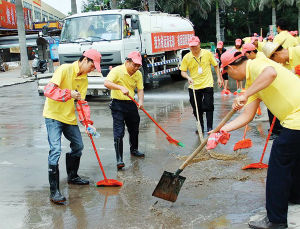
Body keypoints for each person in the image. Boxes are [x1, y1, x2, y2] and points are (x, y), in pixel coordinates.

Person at [220, 49, 300, 229]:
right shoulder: (253, 83)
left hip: (297, 118)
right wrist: (221, 130)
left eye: (228, 74)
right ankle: (295, 196)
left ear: (231, 68)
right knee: (293, 159)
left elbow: (271, 73)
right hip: (295, 121)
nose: (231, 78)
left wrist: (246, 94)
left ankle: (276, 220)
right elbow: (246, 117)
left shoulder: (256, 65)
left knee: (279, 164)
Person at [43, 49, 102, 204]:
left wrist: (88, 123)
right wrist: (69, 94)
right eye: (92, 66)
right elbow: (48, 91)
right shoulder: (64, 69)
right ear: (85, 60)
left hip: (68, 118)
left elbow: (82, 103)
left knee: (78, 145)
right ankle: (54, 191)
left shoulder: (84, 79)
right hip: (53, 116)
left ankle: (72, 176)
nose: (92, 69)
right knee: (55, 149)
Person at [104, 51, 144, 170]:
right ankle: (119, 159)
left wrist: (141, 101)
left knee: (134, 127)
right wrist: (120, 87)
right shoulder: (117, 71)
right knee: (119, 131)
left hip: (131, 104)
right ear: (127, 62)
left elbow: (140, 89)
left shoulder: (138, 74)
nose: (136, 68)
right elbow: (106, 83)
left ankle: (134, 149)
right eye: (134, 65)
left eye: (138, 66)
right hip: (117, 104)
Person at [180, 35, 223, 133]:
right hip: (194, 86)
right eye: (191, 46)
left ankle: (210, 128)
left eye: (195, 46)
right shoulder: (187, 57)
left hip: (207, 84)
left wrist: (219, 78)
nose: (193, 48)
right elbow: (183, 71)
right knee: (196, 108)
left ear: (199, 44)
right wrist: (188, 77)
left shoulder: (207, 53)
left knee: (209, 106)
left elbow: (216, 66)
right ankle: (200, 126)